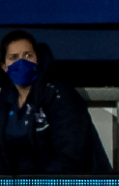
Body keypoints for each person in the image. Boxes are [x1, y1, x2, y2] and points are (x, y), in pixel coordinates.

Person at [1, 30, 111, 174]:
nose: (22, 62)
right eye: (14, 58)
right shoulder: (4, 100)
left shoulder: (60, 94)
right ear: (4, 66)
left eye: (28, 55)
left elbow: (70, 156)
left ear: (37, 59)